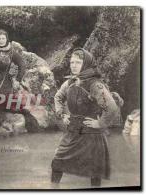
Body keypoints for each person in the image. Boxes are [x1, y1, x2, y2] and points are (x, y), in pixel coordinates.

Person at [51, 48, 119, 187]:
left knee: (94, 170)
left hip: (91, 134)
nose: (73, 65)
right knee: (57, 162)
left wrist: (100, 123)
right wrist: (61, 114)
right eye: (71, 62)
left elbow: (111, 107)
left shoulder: (95, 85)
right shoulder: (70, 82)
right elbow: (58, 97)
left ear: (86, 63)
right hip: (73, 130)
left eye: (78, 62)